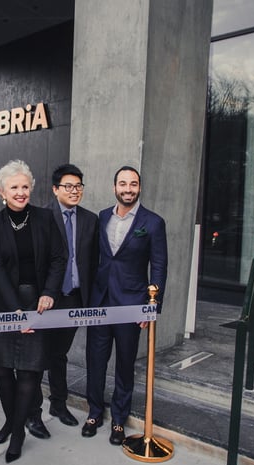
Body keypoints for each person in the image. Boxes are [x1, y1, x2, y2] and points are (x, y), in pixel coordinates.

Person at [0, 159, 66, 463]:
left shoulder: (45, 217)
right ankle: (11, 423)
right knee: (2, 369)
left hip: (39, 304)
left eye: (25, 186)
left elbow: (59, 258)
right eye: (14, 187)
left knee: (30, 370)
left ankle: (17, 434)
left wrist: (49, 293)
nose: (21, 192)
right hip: (4, 303)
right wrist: (15, 311)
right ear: (2, 192)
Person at [83, 165, 167, 445]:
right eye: (123, 184)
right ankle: (94, 413)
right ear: (114, 187)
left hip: (132, 304)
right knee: (95, 361)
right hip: (100, 302)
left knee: (124, 364)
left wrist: (152, 306)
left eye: (133, 184)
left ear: (139, 188)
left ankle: (119, 420)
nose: (128, 189)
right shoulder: (102, 216)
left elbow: (159, 266)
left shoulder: (153, 222)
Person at [35, 164, 98, 428]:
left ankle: (58, 404)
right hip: (46, 299)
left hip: (73, 297)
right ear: (55, 189)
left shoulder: (90, 220)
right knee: (38, 355)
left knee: (59, 353)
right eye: (68, 186)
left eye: (78, 186)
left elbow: (93, 262)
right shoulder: (41, 216)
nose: (74, 191)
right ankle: (32, 411)